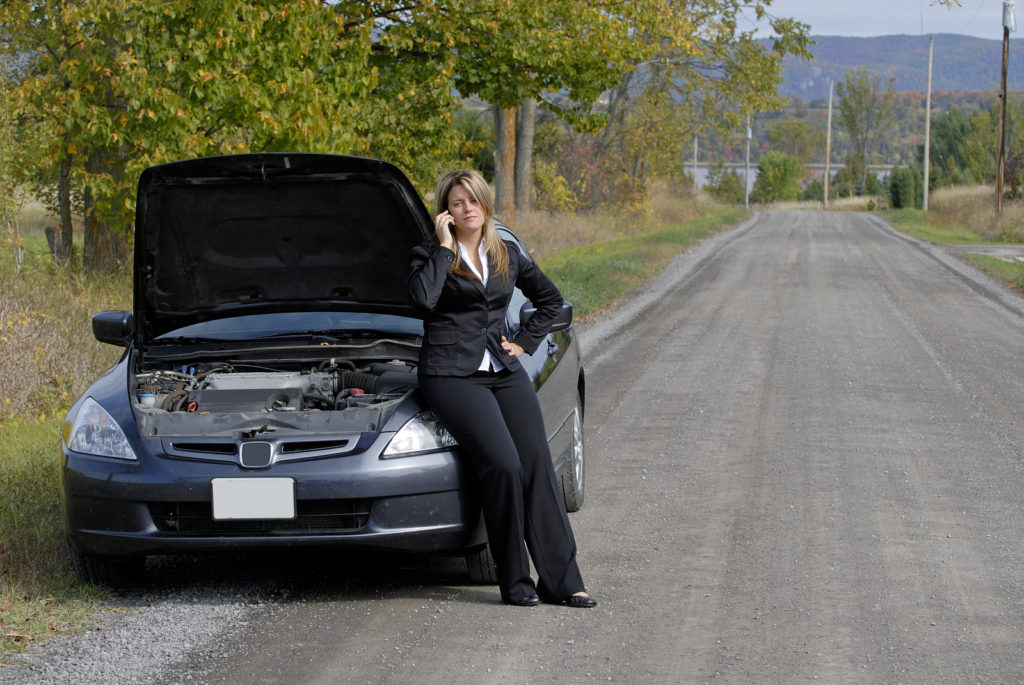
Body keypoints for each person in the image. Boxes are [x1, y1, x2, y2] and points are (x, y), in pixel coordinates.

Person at [406, 169, 596, 609]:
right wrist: (443, 248)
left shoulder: (506, 252)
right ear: (445, 212)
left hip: (503, 368)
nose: (467, 208)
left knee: (536, 463)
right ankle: (516, 581)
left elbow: (550, 300)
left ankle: (564, 581)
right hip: (451, 374)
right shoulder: (428, 254)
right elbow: (422, 300)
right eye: (456, 203)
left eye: (472, 200)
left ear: (485, 204)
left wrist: (524, 343)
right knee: (504, 465)